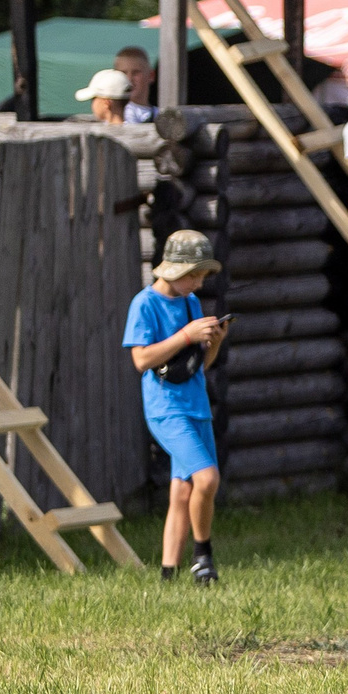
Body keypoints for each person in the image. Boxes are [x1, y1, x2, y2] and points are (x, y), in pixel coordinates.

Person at [124, 228, 229, 583]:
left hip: (196, 405)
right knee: (207, 478)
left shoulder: (190, 303)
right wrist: (186, 335)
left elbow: (198, 366)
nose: (199, 283)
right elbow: (141, 360)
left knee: (183, 491)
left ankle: (167, 576)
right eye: (194, 275)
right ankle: (203, 558)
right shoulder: (145, 304)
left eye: (203, 276)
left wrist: (214, 342)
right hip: (166, 409)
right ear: (174, 269)